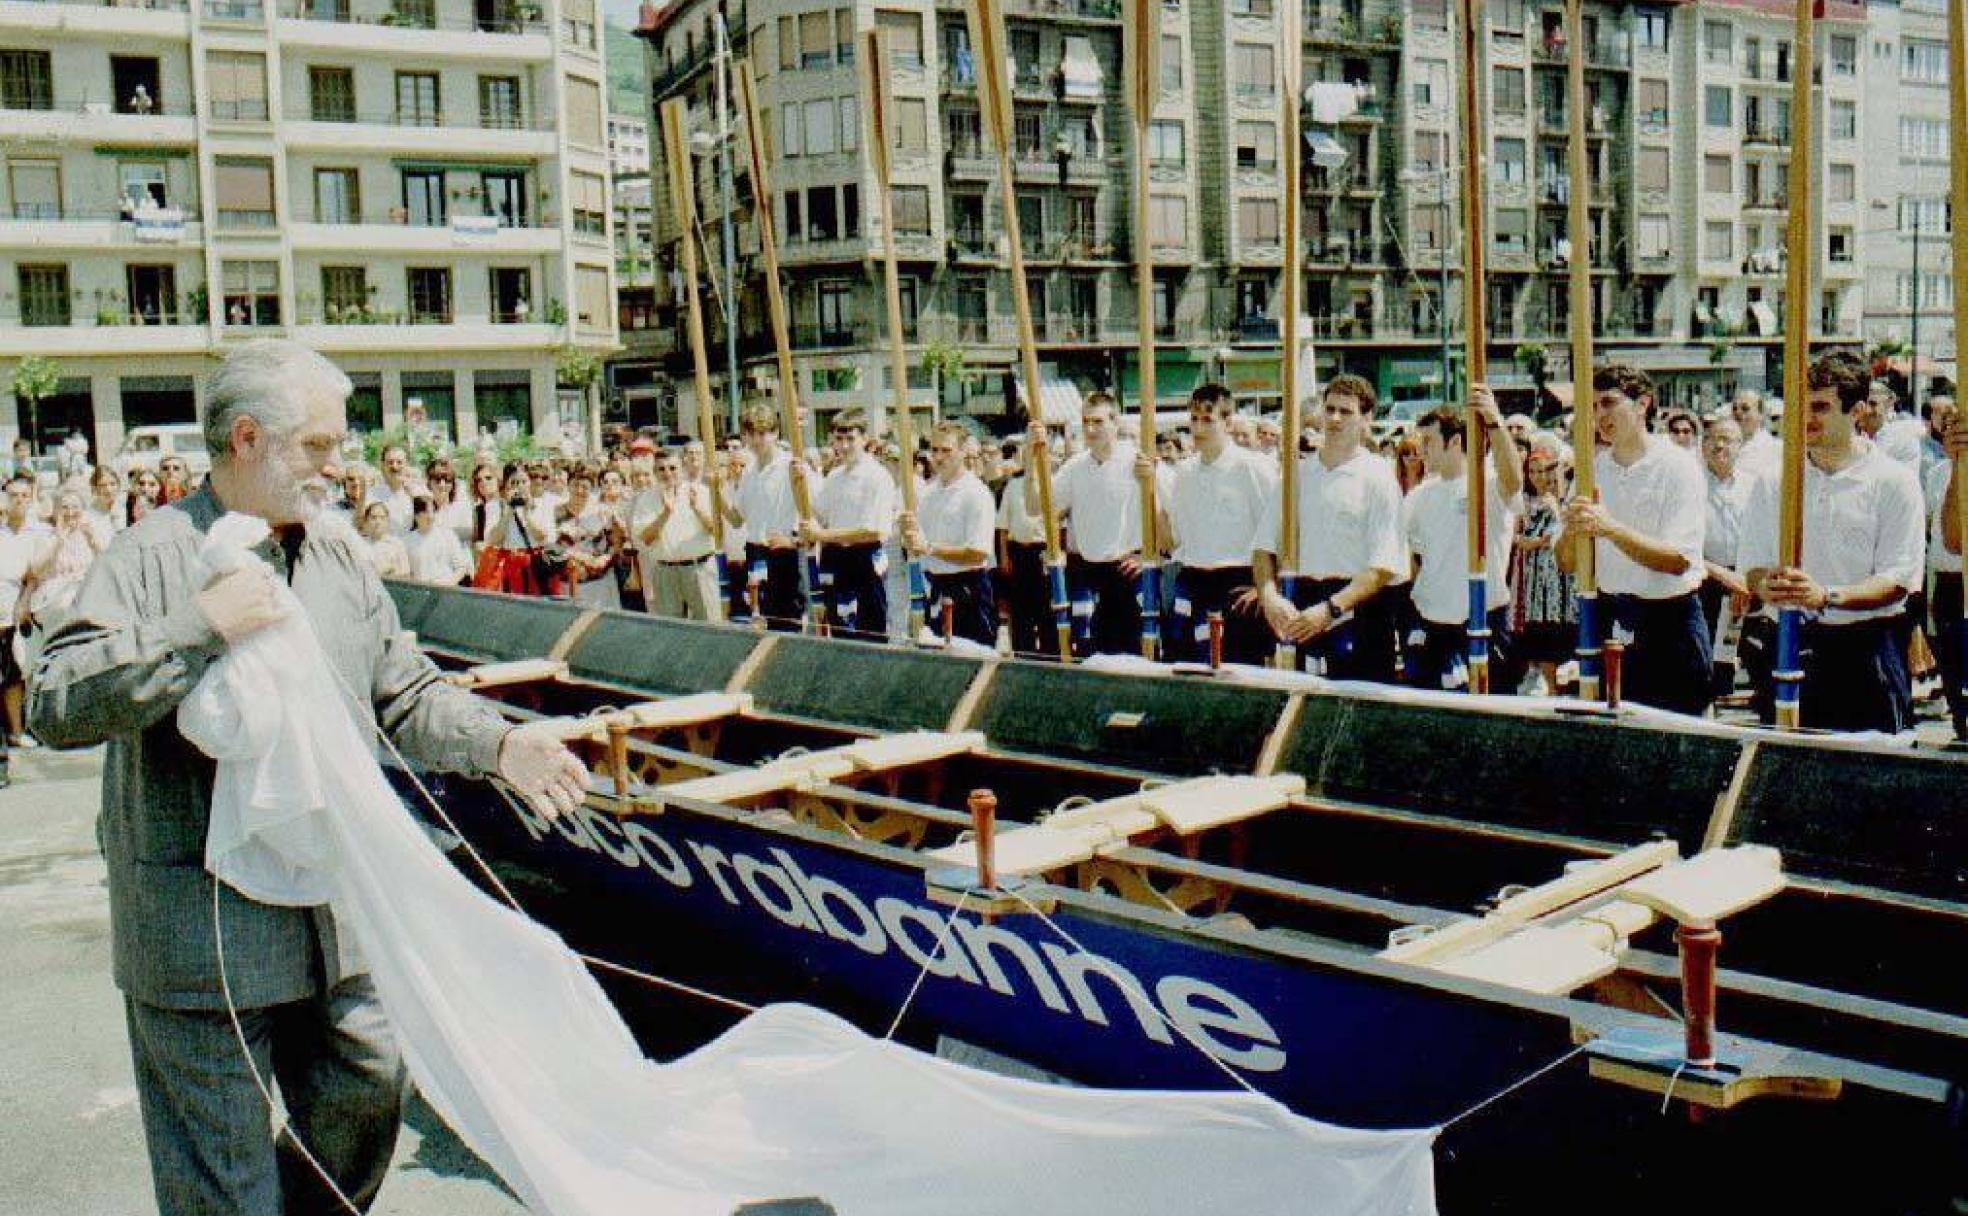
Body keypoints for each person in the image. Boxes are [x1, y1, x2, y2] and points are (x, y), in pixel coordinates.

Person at [25, 339, 588, 1216]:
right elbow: (54, 703)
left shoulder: (335, 557)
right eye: (319, 446)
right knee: (223, 1184)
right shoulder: (150, 556)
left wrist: (501, 746)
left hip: (332, 918)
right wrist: (194, 628)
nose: (340, 464)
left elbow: (403, 690)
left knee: (368, 1092)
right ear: (248, 439)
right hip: (199, 939)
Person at [1740, 352, 1925, 733]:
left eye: (1821, 407)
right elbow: (1754, 564)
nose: (1806, 418)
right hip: (1792, 640)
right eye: (1801, 406)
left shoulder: (1893, 481)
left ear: (1856, 411)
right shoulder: (1774, 480)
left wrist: (1826, 595)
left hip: (1867, 649)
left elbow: (1898, 579)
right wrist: (1766, 584)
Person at [1556, 365, 1710, 715]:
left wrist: (1609, 528)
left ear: (1643, 404)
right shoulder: (1592, 469)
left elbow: (1676, 559)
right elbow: (1566, 563)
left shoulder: (1678, 466)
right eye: (1594, 407)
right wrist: (1571, 530)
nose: (1601, 415)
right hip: (1614, 618)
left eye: (1609, 403)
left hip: (1669, 625)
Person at [1254, 376, 1408, 682]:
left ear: (1367, 419)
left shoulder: (1378, 477)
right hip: (1303, 604)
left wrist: (1330, 610)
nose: (1335, 419)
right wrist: (1269, 596)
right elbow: (1262, 547)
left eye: (1346, 412)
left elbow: (1383, 567)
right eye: (1330, 409)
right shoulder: (1297, 475)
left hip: (1358, 611)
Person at [1401, 387, 1524, 692]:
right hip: (1431, 624)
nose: (1421, 450)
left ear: (1455, 441)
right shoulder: (1419, 496)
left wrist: (1493, 420)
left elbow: (1514, 479)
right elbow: (1411, 559)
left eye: (1428, 441)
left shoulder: (1488, 485)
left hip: (1482, 619)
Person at [1025, 393, 1166, 657]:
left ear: (1115, 422)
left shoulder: (1139, 461)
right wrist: (1031, 458)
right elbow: (1037, 508)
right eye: (1085, 421)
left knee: (1137, 654)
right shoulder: (1075, 467)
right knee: (1092, 655)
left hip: (1129, 573)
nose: (1090, 429)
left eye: (1098, 422)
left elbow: (1169, 517)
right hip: (1090, 574)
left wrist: (1154, 555)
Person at [1160, 384, 1275, 665]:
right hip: (1194, 579)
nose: (1198, 428)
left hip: (1238, 584)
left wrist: (1266, 586)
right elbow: (1175, 538)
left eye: (1207, 420)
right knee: (1187, 666)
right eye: (1194, 419)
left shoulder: (1253, 467)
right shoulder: (1184, 472)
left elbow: (1277, 530)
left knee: (1239, 669)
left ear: (1227, 422)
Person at [801, 409, 897, 643]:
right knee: (840, 631)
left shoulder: (877, 476)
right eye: (838, 439)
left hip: (864, 561)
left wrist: (822, 534)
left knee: (869, 631)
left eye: (850, 439)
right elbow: (819, 514)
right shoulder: (834, 476)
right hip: (836, 560)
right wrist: (802, 481)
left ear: (864, 439)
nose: (843, 446)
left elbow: (873, 530)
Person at [903, 421, 997, 648]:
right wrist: (909, 535)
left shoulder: (976, 493)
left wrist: (929, 548)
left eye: (946, 450)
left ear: (963, 452)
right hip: (934, 588)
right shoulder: (927, 493)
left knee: (971, 658)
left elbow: (977, 552)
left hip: (968, 590)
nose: (939, 457)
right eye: (934, 450)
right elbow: (917, 549)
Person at [721, 404, 804, 629]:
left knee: (786, 620)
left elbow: (812, 513)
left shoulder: (791, 466)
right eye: (751, 435)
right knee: (760, 620)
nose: (757, 440)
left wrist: (794, 540)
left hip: (782, 553)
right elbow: (737, 520)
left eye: (762, 434)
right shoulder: (749, 471)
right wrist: (716, 493)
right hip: (756, 552)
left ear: (775, 433)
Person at [1507, 441, 1577, 695]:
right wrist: (1533, 542)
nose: (1538, 476)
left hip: (1557, 575)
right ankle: (1539, 680)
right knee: (1535, 629)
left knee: (1554, 629)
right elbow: (1515, 536)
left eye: (1543, 470)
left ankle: (1555, 685)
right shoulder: (1523, 501)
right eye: (1532, 471)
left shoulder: (1560, 498)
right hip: (1531, 574)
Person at [635, 447, 722, 621]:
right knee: (671, 631)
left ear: (682, 467)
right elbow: (646, 538)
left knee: (710, 627)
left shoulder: (700, 492)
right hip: (665, 571)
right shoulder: (647, 498)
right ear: (654, 471)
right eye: (661, 469)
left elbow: (717, 532)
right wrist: (665, 513)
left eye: (672, 468)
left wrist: (697, 509)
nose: (667, 473)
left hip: (699, 568)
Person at [996, 441, 1049, 657]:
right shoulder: (1013, 486)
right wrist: (1004, 558)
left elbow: (1061, 527)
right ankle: (1023, 656)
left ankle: (1048, 659)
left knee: (1045, 612)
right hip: (1018, 553)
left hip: (1044, 554)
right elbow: (1002, 527)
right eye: (1028, 455)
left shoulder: (1053, 484)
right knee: (1020, 613)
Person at [404, 495, 470, 586]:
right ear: (416, 515)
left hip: (445, 592)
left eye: (432, 511)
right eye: (425, 512)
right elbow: (406, 572)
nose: (430, 516)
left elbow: (462, 567)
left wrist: (449, 583)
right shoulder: (407, 541)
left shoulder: (447, 535)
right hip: (420, 592)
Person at [356, 500, 410, 579]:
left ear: (388, 521)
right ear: (366, 521)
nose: (378, 522)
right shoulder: (360, 544)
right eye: (373, 517)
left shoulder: (397, 545)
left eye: (382, 518)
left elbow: (406, 575)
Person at [374, 445, 421, 534]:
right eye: (390, 462)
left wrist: (413, 497)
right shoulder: (372, 494)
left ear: (406, 465)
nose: (394, 466)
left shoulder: (418, 493)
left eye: (399, 462)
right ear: (383, 465)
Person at [1733, 390, 1779, 479]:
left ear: (1761, 414)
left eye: (1745, 408)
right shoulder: (1726, 447)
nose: (1738, 412)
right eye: (1734, 408)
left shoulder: (1776, 449)